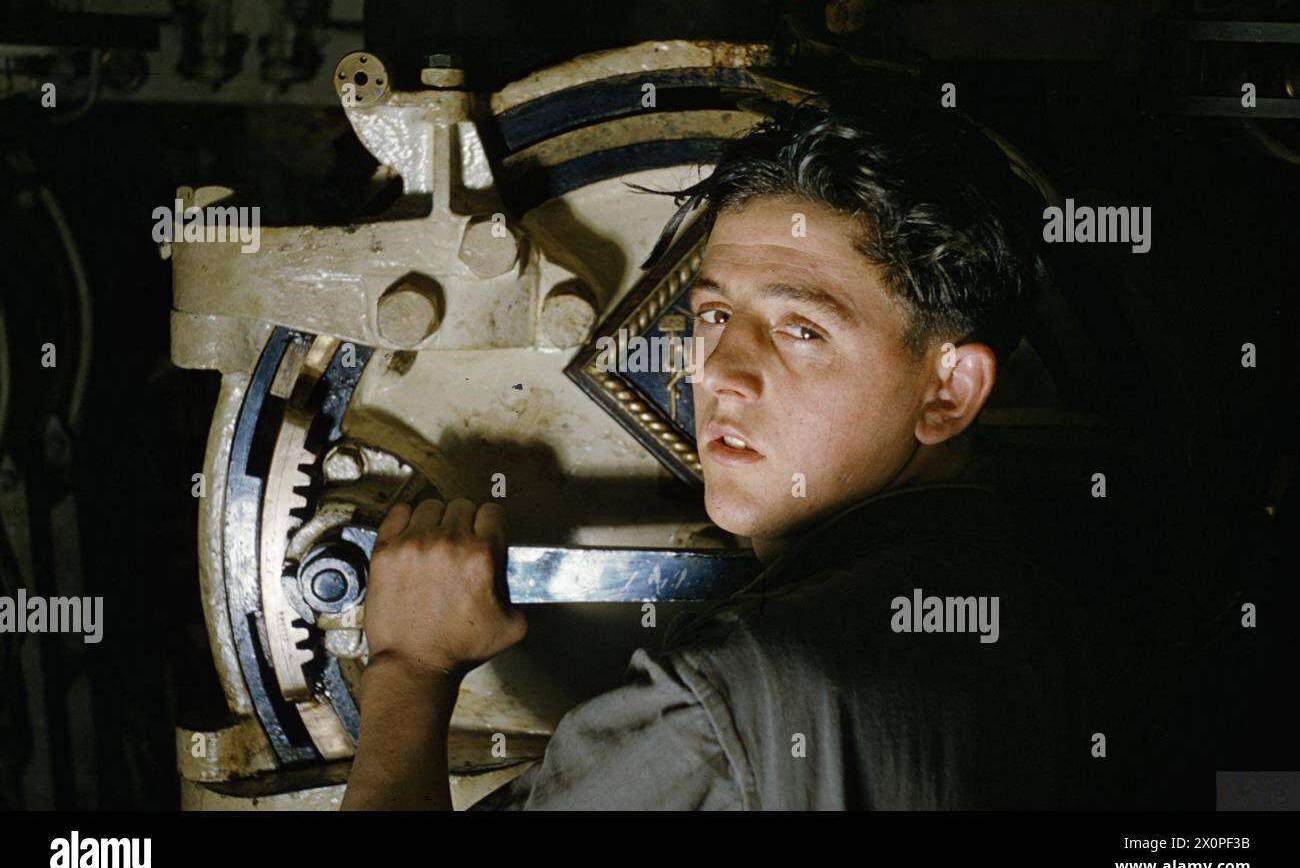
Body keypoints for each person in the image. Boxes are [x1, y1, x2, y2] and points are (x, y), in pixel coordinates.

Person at [340, 87, 1098, 811]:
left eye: (803, 329)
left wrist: (409, 668)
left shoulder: (717, 707)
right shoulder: (1062, 607)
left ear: (950, 391)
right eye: (714, 313)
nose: (717, 371)